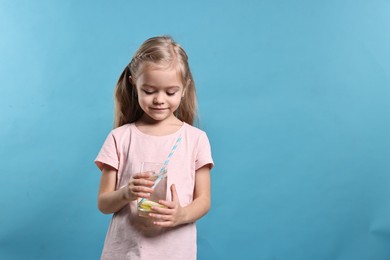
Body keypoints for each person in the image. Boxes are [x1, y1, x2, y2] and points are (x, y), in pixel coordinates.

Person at [94, 35, 214, 260]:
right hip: (125, 253)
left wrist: (181, 215)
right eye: (149, 91)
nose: (160, 100)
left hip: (176, 253)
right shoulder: (119, 138)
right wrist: (126, 193)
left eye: (170, 92)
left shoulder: (196, 139)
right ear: (133, 82)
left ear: (184, 87)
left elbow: (204, 200)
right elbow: (103, 203)